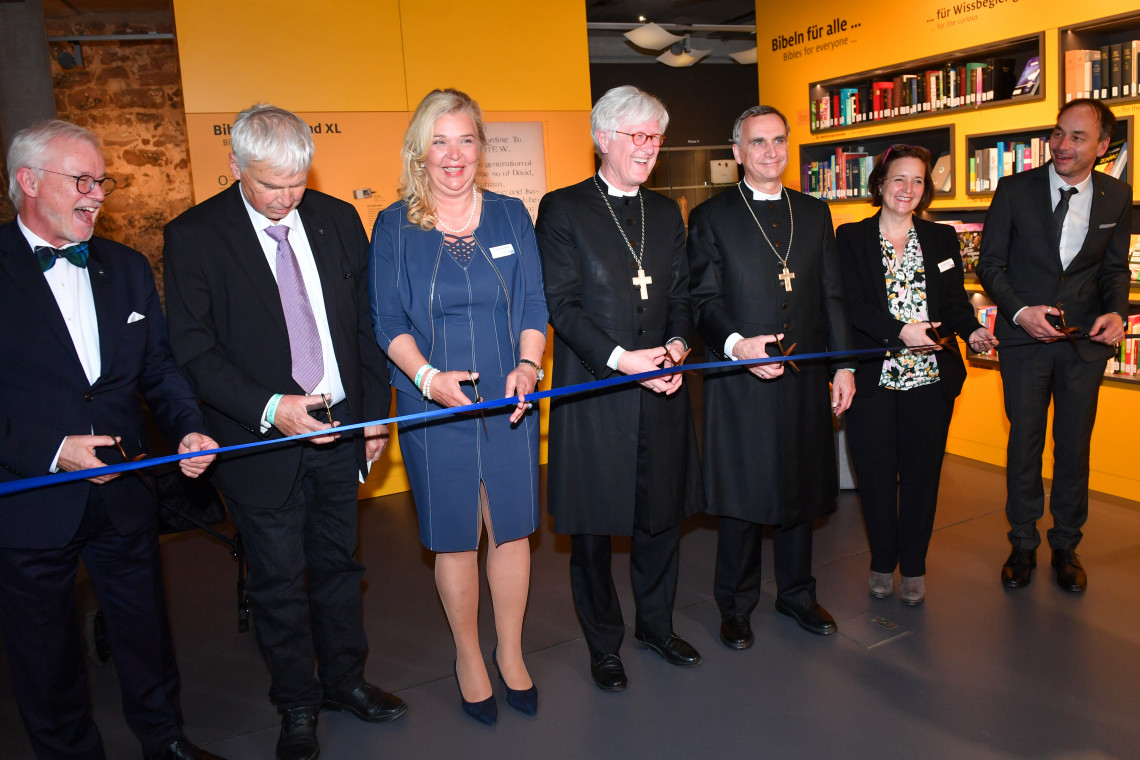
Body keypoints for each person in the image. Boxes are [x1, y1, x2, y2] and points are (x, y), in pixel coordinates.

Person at [162, 105, 402, 760]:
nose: (285, 198)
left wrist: (374, 413)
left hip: (340, 428)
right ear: (235, 165)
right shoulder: (195, 236)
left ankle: (346, 682)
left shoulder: (337, 218)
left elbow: (365, 324)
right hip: (258, 439)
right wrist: (273, 408)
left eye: (296, 182)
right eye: (271, 184)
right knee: (276, 580)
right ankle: (297, 703)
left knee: (340, 567)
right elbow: (194, 350)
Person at [0, 120, 221, 760]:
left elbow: (159, 369)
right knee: (45, 652)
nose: (97, 194)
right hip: (30, 498)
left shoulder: (125, 267)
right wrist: (52, 450)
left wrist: (187, 427)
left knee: (145, 630)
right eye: (82, 181)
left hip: (125, 490)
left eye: (102, 182)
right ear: (28, 181)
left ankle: (166, 738)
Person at [369, 89, 547, 725]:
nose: (453, 154)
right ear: (420, 152)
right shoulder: (394, 225)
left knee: (512, 528)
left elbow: (533, 303)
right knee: (455, 536)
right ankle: (469, 656)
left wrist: (529, 366)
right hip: (431, 402)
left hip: (509, 398)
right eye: (439, 141)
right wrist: (426, 378)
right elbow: (387, 321)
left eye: (465, 140)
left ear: (480, 148)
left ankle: (511, 652)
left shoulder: (510, 215)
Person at [536, 85, 705, 693]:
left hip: (661, 388)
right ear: (601, 138)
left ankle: (656, 626)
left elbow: (682, 296)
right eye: (637, 135)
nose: (649, 147)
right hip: (595, 393)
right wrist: (621, 359)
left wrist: (677, 347)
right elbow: (561, 304)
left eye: (655, 137)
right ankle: (603, 644)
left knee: (662, 520)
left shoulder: (666, 212)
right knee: (592, 531)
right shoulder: (563, 208)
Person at [687, 105, 854, 648]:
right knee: (742, 494)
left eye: (779, 140)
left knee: (799, 488)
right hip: (740, 378)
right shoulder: (712, 217)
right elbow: (703, 300)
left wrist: (843, 364)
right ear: (738, 152)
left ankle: (797, 594)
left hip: (803, 376)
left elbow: (831, 295)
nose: (771, 151)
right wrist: (738, 346)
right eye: (758, 142)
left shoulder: (814, 212)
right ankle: (735, 605)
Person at [976, 98, 1131, 593]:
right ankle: (1022, 543)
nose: (1062, 144)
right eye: (1058, 133)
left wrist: (1117, 312)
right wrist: (1020, 312)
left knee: (1074, 446)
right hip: (1023, 341)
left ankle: (1066, 544)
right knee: (1024, 443)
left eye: (1077, 137)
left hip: (1084, 345)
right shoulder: (1014, 189)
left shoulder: (1116, 195)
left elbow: (1114, 269)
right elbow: (989, 263)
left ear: (1102, 146)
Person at [836, 145, 997, 605]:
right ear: (880, 183)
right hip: (874, 378)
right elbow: (851, 304)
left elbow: (954, 303)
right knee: (875, 477)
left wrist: (972, 332)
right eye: (899, 179)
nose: (908, 189)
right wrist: (900, 331)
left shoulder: (941, 238)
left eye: (918, 181)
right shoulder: (851, 237)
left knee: (922, 478)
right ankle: (882, 562)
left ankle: (914, 567)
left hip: (930, 379)